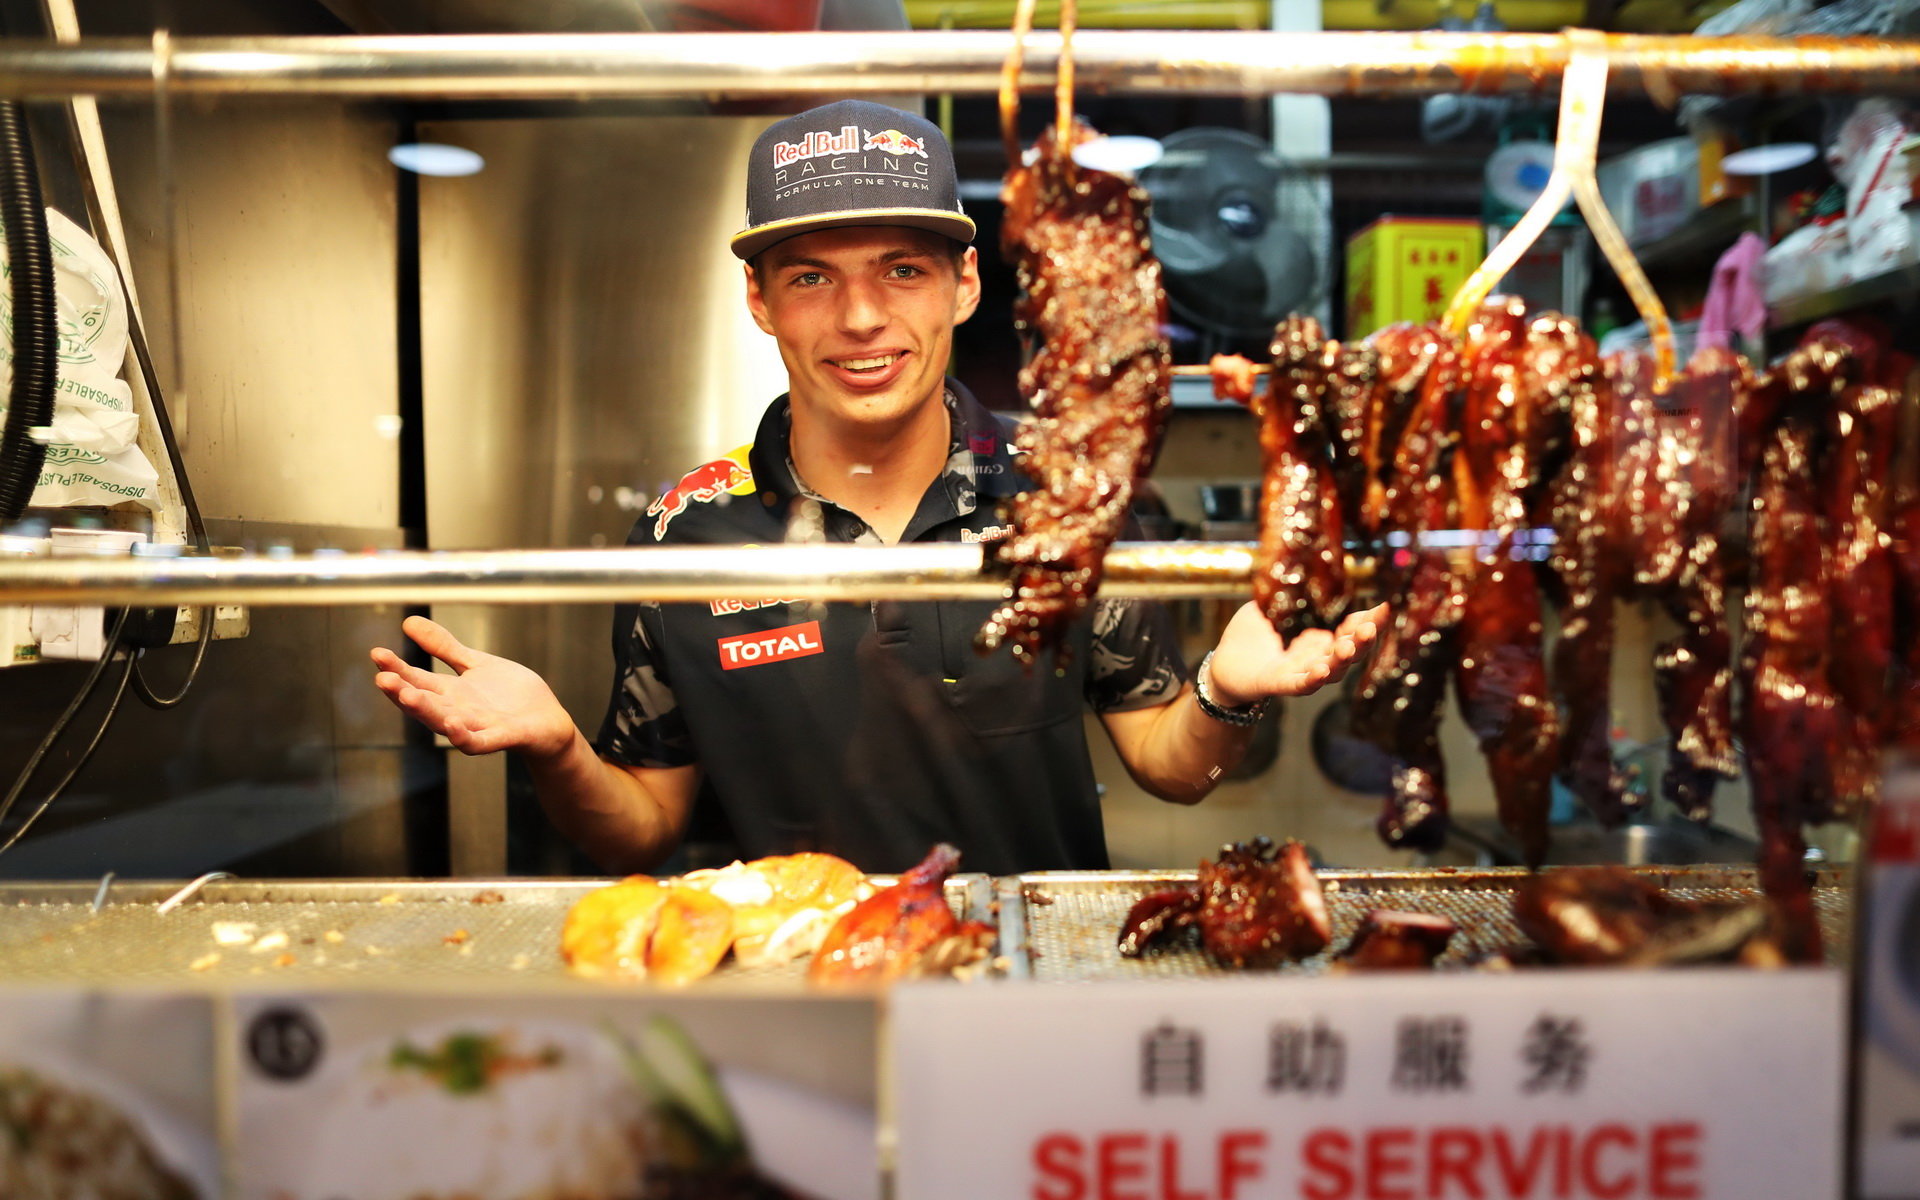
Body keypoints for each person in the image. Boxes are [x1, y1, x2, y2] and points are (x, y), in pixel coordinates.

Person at [372, 99, 1382, 876]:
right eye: (811, 277)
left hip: (1025, 1000)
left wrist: (1225, 691)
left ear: (966, 285)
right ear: (760, 302)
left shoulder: (1062, 505)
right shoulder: (683, 535)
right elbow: (641, 830)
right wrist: (555, 748)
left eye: (902, 270)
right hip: (792, 1015)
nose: (860, 316)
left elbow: (1170, 762)